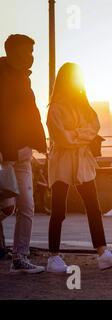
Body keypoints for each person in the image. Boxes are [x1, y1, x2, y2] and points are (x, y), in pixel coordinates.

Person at [46, 63, 112, 272]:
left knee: (93, 207)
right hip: (62, 162)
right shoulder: (55, 108)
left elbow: (94, 126)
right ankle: (53, 257)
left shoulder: (83, 105)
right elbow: (61, 138)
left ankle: (103, 253)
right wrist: (81, 135)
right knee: (58, 210)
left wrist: (75, 135)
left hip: (81, 161)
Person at [0, 35, 47, 273]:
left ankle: (20, 257)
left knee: (27, 206)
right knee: (6, 207)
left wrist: (40, 144)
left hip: (23, 154)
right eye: (27, 51)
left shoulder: (24, 79)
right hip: (4, 155)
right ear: (12, 52)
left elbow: (32, 114)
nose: (31, 56)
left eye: (32, 51)